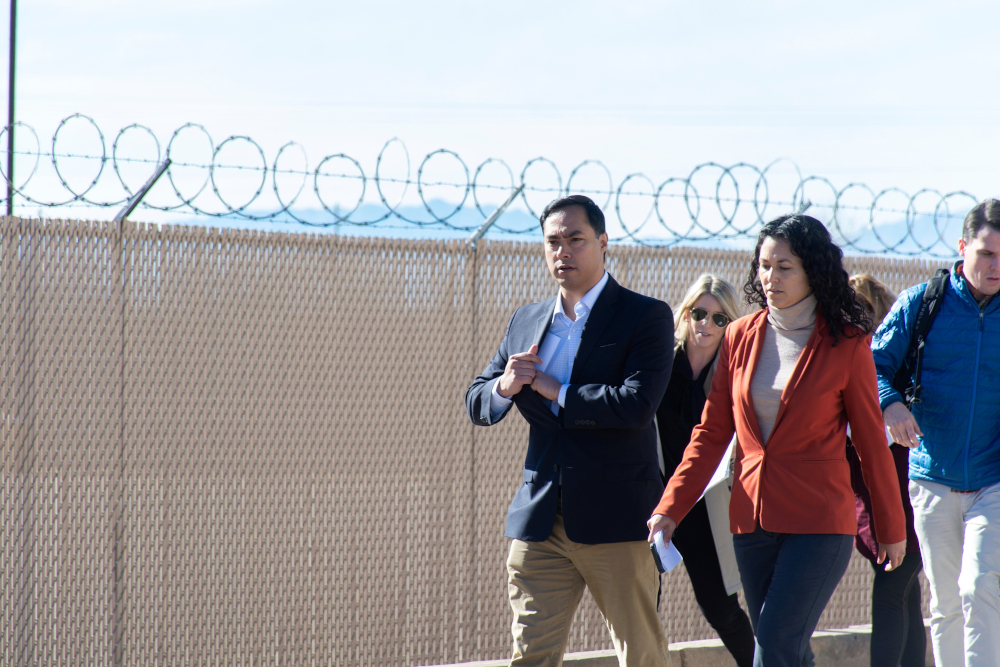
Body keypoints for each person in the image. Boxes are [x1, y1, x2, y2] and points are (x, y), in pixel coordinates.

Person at [646, 214, 907, 667]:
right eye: (764, 265)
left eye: (783, 267)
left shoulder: (846, 343)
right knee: (789, 651)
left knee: (775, 647)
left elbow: (869, 443)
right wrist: (671, 507)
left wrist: (891, 526)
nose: (770, 277)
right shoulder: (740, 337)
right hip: (751, 523)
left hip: (819, 523)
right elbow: (710, 434)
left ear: (812, 270)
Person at [466, 195, 674, 667]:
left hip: (617, 520)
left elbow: (636, 405)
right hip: (541, 521)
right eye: (553, 242)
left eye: (575, 240)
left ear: (603, 243)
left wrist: (556, 390)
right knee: (530, 656)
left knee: (640, 653)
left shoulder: (645, 316)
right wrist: (505, 384)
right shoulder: (526, 320)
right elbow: (477, 401)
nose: (563, 251)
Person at [872, 198, 1000, 667]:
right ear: (963, 247)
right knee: (944, 603)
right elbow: (872, 364)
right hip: (930, 476)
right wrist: (891, 404)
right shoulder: (921, 304)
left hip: (993, 479)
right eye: (987, 253)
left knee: (980, 587)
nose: (996, 265)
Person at [655, 274, 755, 667]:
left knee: (719, 606)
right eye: (700, 313)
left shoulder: (734, 372)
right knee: (643, 604)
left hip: (706, 503)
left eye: (719, 318)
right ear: (686, 313)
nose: (706, 325)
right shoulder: (661, 361)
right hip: (656, 500)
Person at [846, 274, 925, 667]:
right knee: (906, 597)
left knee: (893, 595)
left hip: (905, 508)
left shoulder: (886, 377)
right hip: (895, 508)